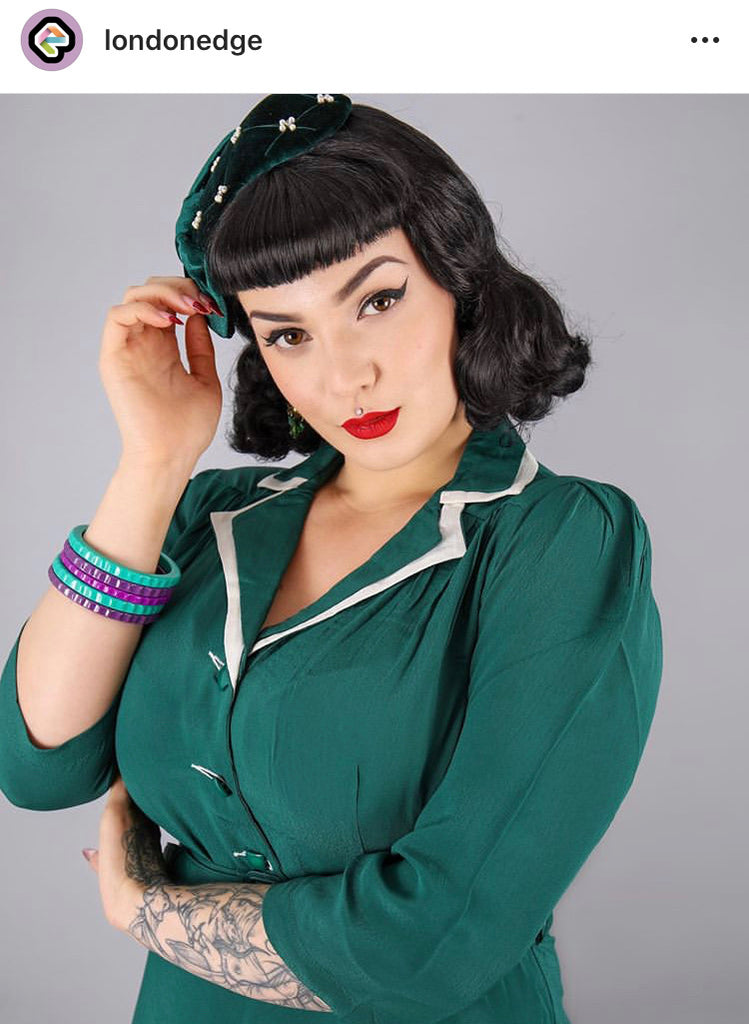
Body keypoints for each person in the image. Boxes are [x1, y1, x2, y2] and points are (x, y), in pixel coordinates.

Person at [0, 94, 663, 1024]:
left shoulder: (559, 539)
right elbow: (37, 765)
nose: (344, 374)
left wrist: (147, 910)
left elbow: (430, 950)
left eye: (378, 301)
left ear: (460, 283)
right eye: (287, 333)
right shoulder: (209, 515)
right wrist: (152, 463)